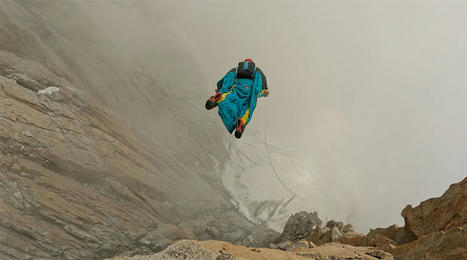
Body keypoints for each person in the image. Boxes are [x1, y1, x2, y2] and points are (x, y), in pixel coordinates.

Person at [205, 58, 269, 138]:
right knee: (246, 112)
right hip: (247, 96)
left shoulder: (236, 70)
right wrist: (264, 93)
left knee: (227, 97)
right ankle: (241, 122)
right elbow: (258, 88)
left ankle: (218, 98)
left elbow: (228, 78)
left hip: (236, 91)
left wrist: (220, 88)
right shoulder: (257, 73)